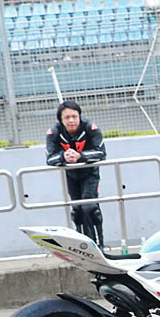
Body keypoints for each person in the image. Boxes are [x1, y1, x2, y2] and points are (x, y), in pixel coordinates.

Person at [46, 100, 107, 248]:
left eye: (74, 116)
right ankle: (82, 244)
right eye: (67, 117)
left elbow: (101, 153)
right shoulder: (54, 132)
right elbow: (49, 158)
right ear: (61, 119)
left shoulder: (90, 128)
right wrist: (63, 157)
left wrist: (81, 156)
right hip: (71, 175)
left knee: (90, 208)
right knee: (77, 210)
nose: (71, 120)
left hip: (90, 173)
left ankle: (100, 244)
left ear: (79, 116)